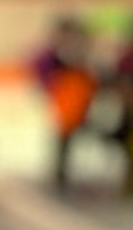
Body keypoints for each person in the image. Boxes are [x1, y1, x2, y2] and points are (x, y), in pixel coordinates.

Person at [32, 13, 97, 196]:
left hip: (77, 101)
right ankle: (61, 177)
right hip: (66, 102)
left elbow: (89, 79)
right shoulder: (55, 56)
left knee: (70, 141)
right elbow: (42, 71)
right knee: (64, 141)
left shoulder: (77, 54)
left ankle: (66, 177)